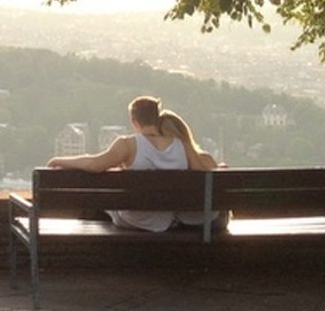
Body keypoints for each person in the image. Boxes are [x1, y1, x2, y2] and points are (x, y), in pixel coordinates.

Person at [47, 95, 221, 232]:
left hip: (137, 218)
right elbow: (200, 173)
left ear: (134, 122)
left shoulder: (127, 144)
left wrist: (59, 160)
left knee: (99, 204)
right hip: (166, 218)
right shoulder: (181, 144)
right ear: (157, 118)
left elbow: (95, 164)